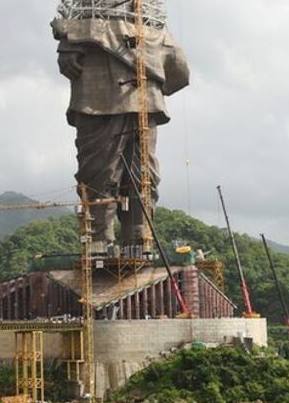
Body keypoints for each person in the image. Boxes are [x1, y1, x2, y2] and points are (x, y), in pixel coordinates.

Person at [52, 17, 189, 256]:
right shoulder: (151, 24)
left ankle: (131, 236)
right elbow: (179, 71)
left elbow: (178, 68)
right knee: (112, 174)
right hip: (108, 99)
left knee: (131, 174)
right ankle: (108, 238)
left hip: (128, 101)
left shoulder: (148, 20)